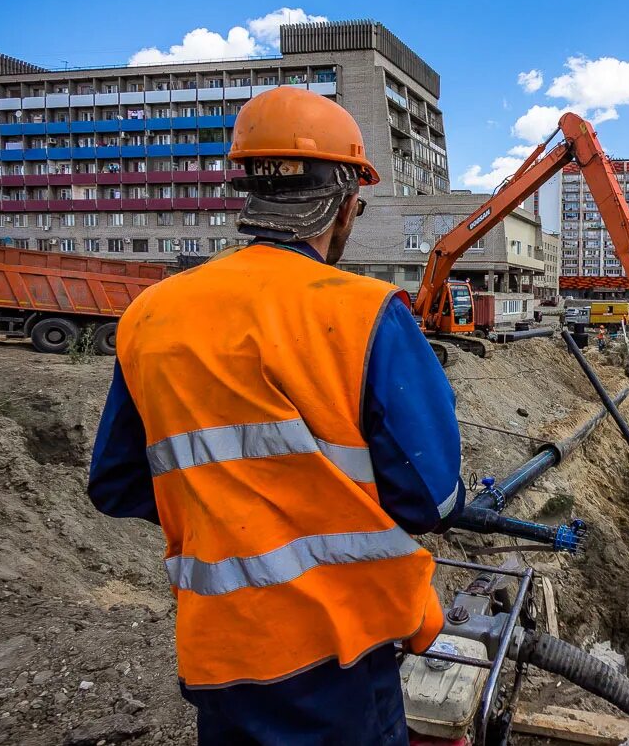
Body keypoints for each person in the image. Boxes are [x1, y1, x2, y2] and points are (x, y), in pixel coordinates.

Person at [87, 87, 465, 745]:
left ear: (251, 194)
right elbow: (429, 499)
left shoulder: (152, 313)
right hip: (340, 652)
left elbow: (117, 482)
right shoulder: (366, 313)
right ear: (348, 205)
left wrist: (233, 510)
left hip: (219, 649)